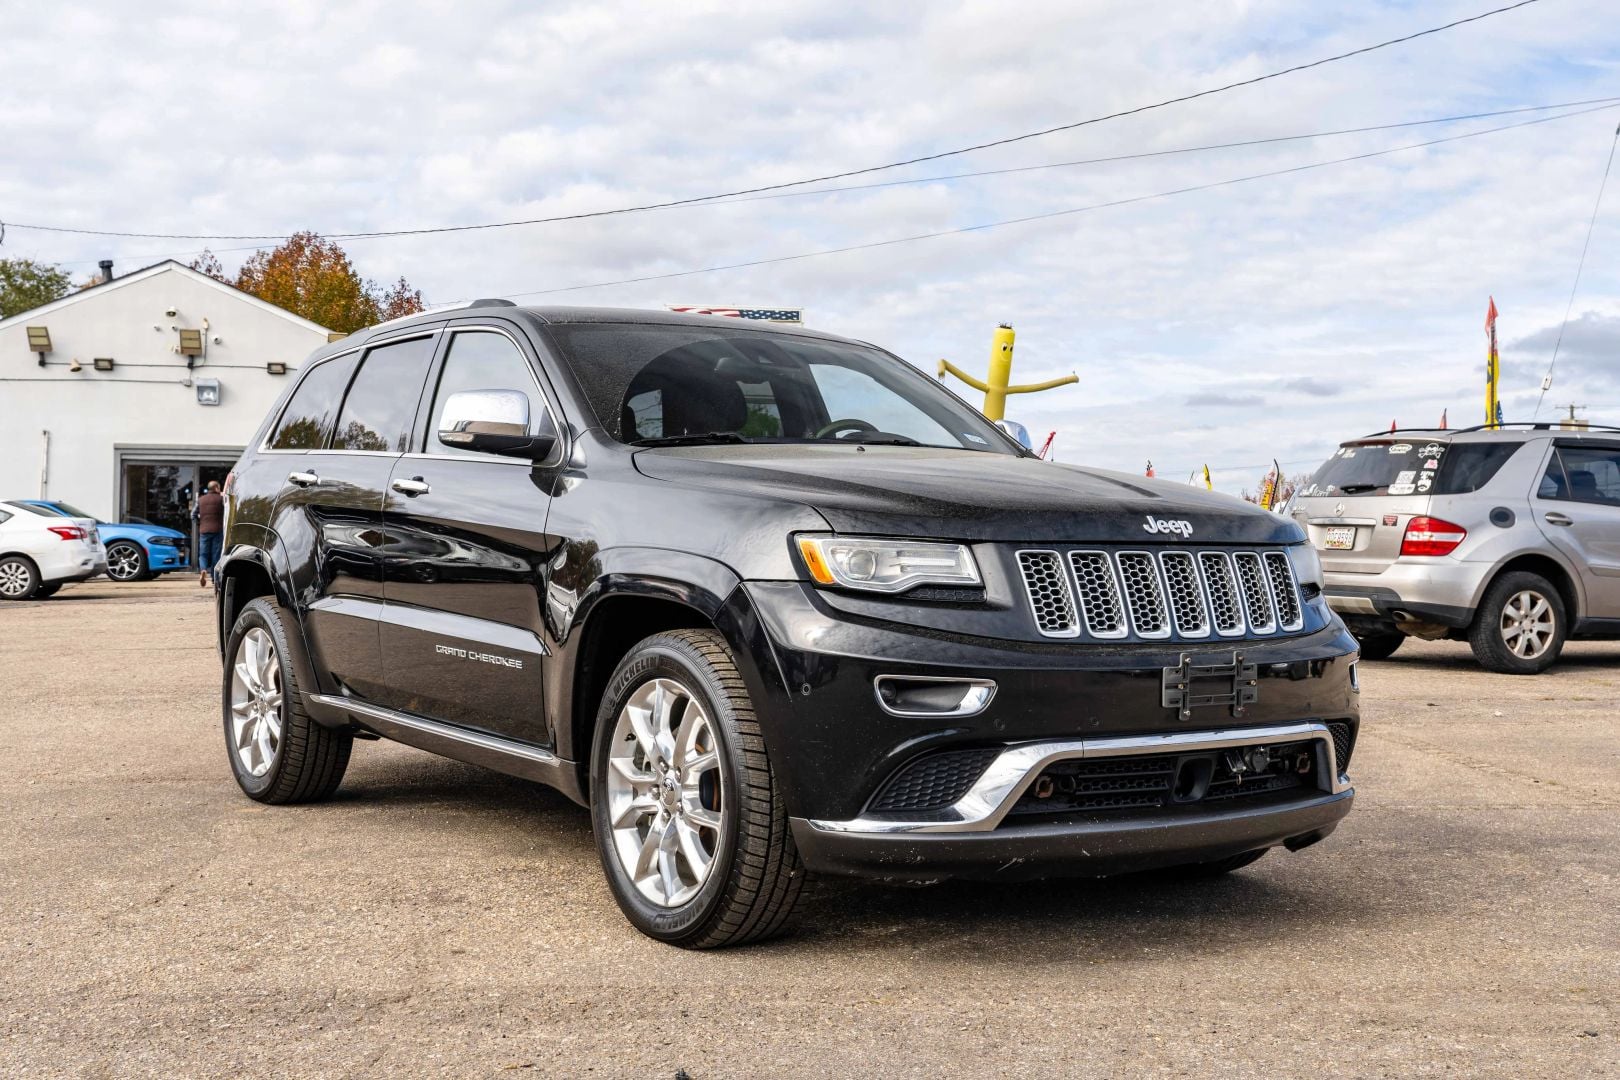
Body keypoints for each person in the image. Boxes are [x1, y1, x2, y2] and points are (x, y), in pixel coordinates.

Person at [195, 480, 225, 587]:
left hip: (204, 530)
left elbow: (193, 514)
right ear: (216, 488)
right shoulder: (221, 499)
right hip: (217, 530)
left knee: (203, 554)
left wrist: (200, 523)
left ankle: (203, 570)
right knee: (215, 555)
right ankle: (214, 579)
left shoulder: (201, 499)